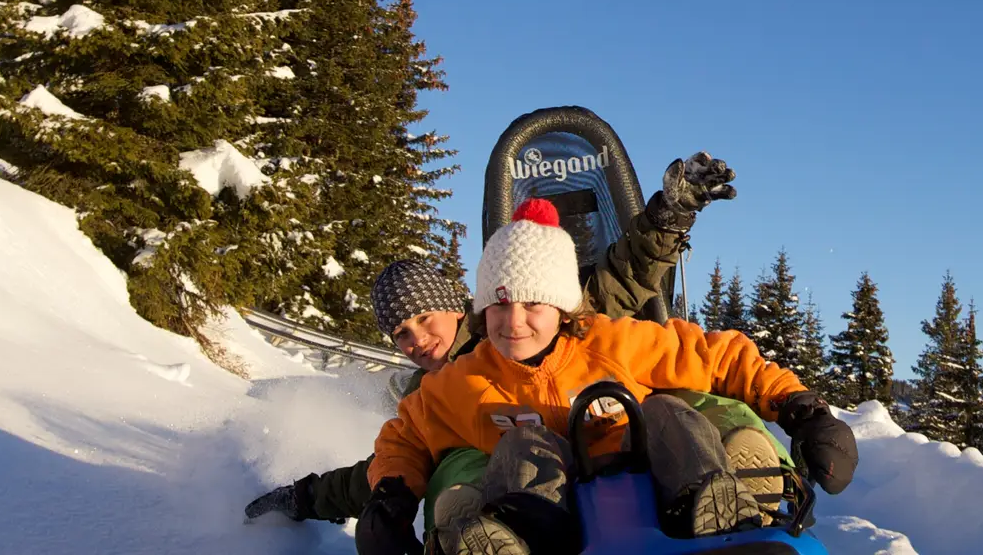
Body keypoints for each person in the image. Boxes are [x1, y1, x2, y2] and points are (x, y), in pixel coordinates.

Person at [246, 153, 772, 526]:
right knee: (458, 473)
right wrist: (309, 496)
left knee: (677, 407)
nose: (415, 341)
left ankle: (739, 484)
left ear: (459, 305)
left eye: (424, 319)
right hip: (531, 500)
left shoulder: (535, 317)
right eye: (400, 334)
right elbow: (387, 468)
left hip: (622, 475)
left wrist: (670, 215)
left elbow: (623, 277)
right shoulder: (430, 395)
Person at [356, 197, 858, 555]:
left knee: (665, 409)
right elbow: (406, 434)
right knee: (522, 444)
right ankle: (507, 543)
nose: (514, 322)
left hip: (660, 489)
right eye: (500, 305)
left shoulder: (611, 341)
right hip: (555, 515)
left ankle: (722, 503)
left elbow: (717, 356)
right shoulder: (465, 379)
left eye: (534, 303)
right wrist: (391, 496)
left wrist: (801, 409)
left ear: (562, 304)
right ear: (481, 309)